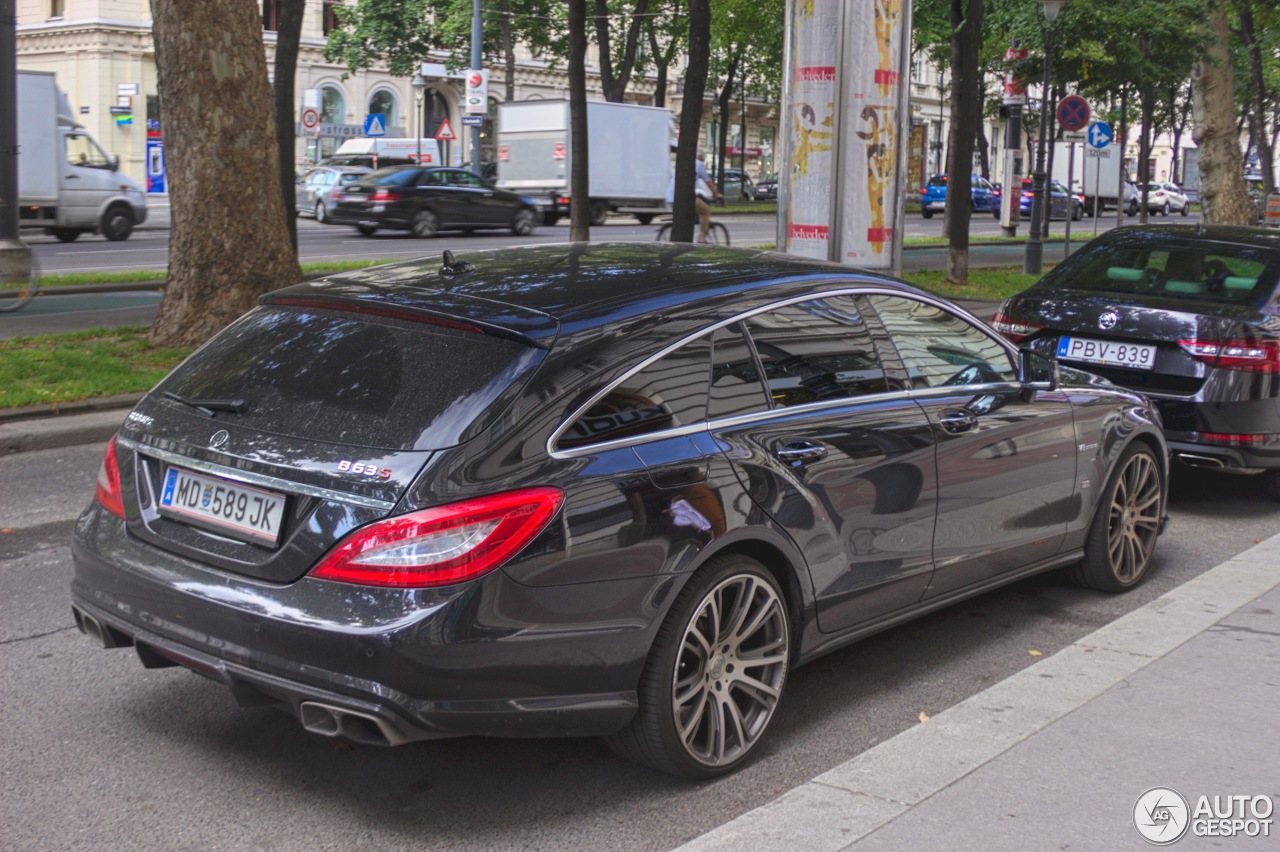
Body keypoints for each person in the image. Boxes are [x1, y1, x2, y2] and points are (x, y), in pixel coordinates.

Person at [694, 148, 722, 243]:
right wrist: (716, 194)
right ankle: (702, 238)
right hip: (690, 196)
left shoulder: (688, 163)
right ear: (701, 157)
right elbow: (709, 182)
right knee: (705, 211)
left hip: (672, 196)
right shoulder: (699, 164)